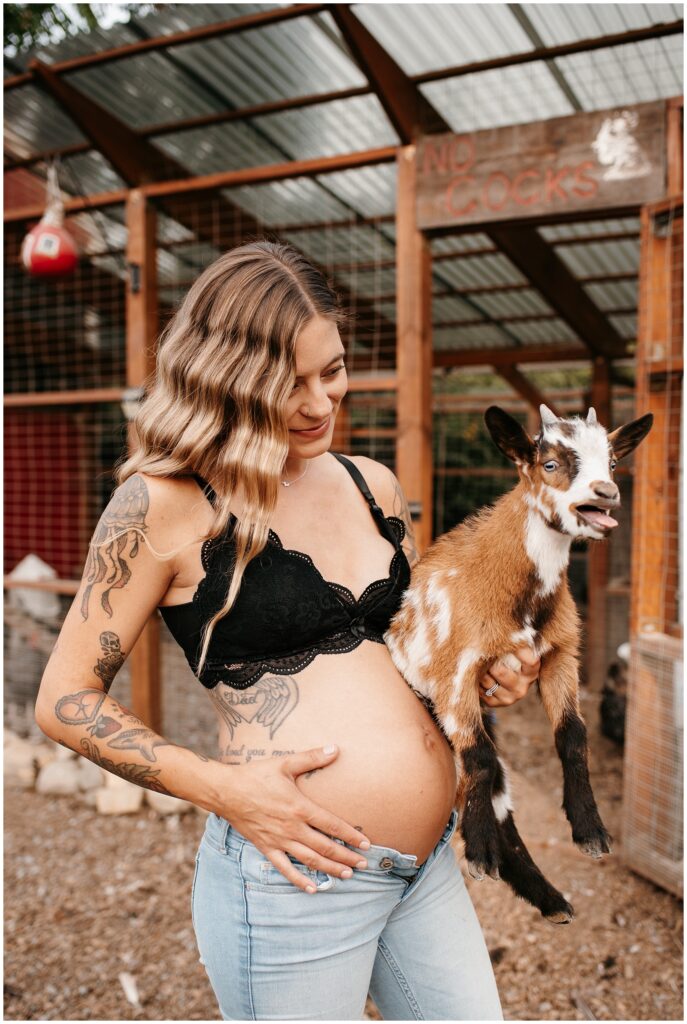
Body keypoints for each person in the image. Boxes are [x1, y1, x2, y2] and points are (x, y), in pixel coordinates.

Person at [35, 240, 540, 1021]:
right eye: (285, 382)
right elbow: (63, 700)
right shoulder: (161, 505)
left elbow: (410, 651)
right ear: (224, 378)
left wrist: (484, 671)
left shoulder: (371, 485)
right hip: (293, 878)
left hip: (424, 862)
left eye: (331, 371)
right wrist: (227, 791)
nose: (317, 403)